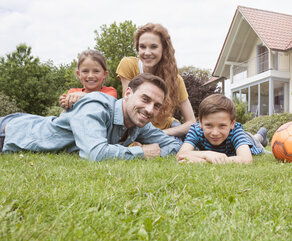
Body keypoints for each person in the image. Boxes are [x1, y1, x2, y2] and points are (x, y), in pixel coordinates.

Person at [0, 73, 180, 161]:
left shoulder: (140, 122)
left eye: (156, 105)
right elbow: (94, 153)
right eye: (145, 99)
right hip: (9, 133)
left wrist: (157, 153)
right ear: (127, 94)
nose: (149, 109)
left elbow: (173, 145)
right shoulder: (95, 105)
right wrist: (142, 153)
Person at [116, 23, 195, 143]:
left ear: (164, 49)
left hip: (167, 130)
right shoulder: (128, 66)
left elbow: (191, 122)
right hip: (138, 129)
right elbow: (128, 108)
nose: (147, 52)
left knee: (181, 145)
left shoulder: (176, 80)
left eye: (153, 47)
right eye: (142, 47)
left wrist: (161, 133)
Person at [176, 94, 268, 164]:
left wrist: (208, 161)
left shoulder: (236, 130)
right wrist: (207, 155)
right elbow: (181, 154)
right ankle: (259, 136)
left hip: (248, 139)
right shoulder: (196, 130)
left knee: (256, 142)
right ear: (200, 122)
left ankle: (260, 136)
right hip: (233, 138)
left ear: (232, 123)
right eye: (209, 125)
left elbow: (246, 159)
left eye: (222, 126)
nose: (215, 133)